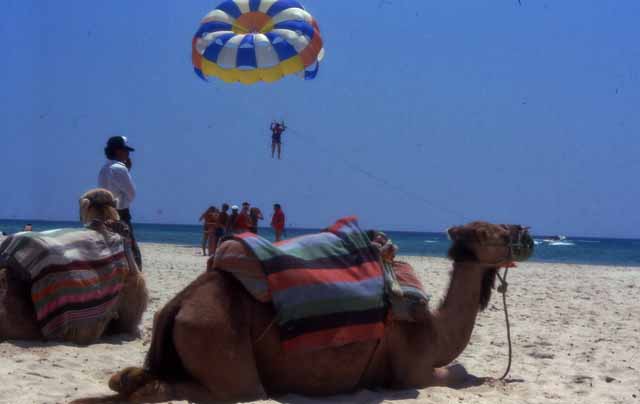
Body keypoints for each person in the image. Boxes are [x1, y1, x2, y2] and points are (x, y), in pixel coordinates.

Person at [98, 135, 142, 268]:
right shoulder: (119, 168)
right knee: (132, 253)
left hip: (104, 213)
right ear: (118, 151)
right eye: (125, 150)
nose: (128, 154)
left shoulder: (104, 168)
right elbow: (132, 194)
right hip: (120, 214)